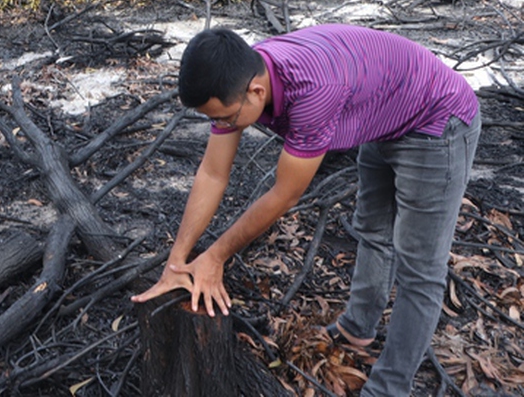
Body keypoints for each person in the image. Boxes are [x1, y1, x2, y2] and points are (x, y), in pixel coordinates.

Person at [131, 23, 480, 397]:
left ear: (257, 92)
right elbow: (213, 173)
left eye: (225, 119)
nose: (221, 127)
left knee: (420, 267)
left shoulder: (312, 92)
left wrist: (215, 256)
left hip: (436, 122)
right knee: (374, 232)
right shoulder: (242, 75)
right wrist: (177, 261)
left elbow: (285, 195)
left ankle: (389, 388)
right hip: (385, 111)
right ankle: (357, 329)